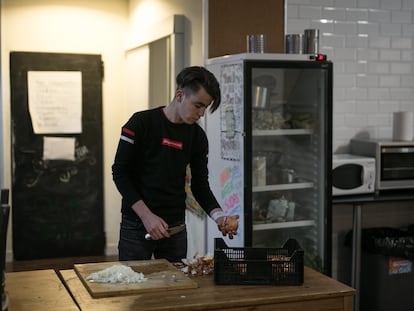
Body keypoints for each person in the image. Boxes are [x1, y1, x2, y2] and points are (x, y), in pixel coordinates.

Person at [112, 66, 239, 262]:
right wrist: (146, 216)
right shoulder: (140, 123)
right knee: (132, 286)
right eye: (198, 105)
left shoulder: (197, 137)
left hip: (175, 227)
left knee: (176, 288)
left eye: (206, 107)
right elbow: (120, 173)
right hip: (137, 225)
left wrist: (220, 217)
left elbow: (200, 185)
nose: (202, 113)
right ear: (180, 96)